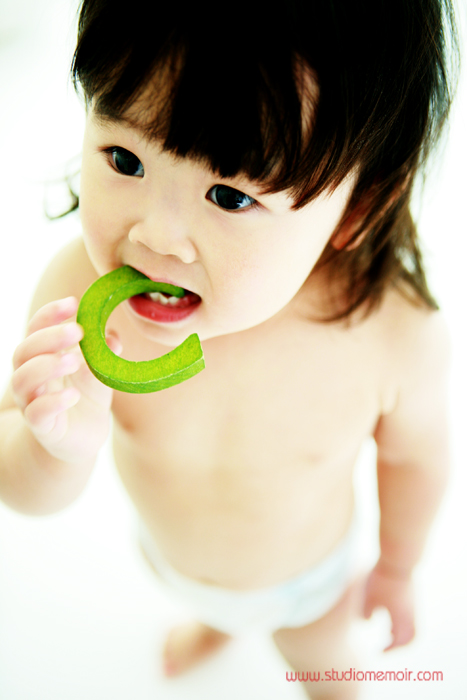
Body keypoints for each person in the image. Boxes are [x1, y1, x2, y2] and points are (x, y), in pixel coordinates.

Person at [0, 1, 457, 697]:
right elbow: (21, 489)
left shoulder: (389, 335)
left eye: (231, 197)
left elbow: (415, 458)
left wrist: (397, 566)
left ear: (357, 209)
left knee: (325, 668)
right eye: (124, 159)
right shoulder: (76, 299)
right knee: (209, 607)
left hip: (307, 585)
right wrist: (53, 447)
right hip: (172, 562)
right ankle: (218, 624)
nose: (156, 238)